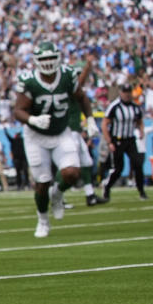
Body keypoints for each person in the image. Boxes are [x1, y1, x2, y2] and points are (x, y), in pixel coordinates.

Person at [14, 41, 100, 238]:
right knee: (42, 182)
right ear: (36, 61)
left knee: (72, 173)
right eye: (43, 59)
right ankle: (43, 220)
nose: (48, 62)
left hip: (61, 132)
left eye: (51, 58)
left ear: (58, 58)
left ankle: (58, 194)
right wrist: (32, 119)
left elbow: (82, 98)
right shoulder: (29, 80)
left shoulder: (68, 75)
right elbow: (18, 110)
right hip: (36, 137)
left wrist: (91, 120)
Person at [49, 55, 106, 207]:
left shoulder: (67, 87)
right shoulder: (66, 87)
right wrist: (88, 67)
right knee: (68, 166)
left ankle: (90, 195)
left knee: (86, 162)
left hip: (74, 130)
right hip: (67, 131)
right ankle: (57, 196)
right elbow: (79, 83)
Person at [101, 83, 146, 201]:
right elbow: (105, 124)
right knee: (118, 169)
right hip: (117, 139)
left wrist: (141, 131)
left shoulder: (135, 107)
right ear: (121, 93)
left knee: (138, 163)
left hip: (130, 139)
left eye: (128, 92)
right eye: (125, 92)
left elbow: (140, 121)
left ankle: (141, 191)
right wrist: (109, 141)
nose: (127, 95)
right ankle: (107, 187)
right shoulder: (114, 106)